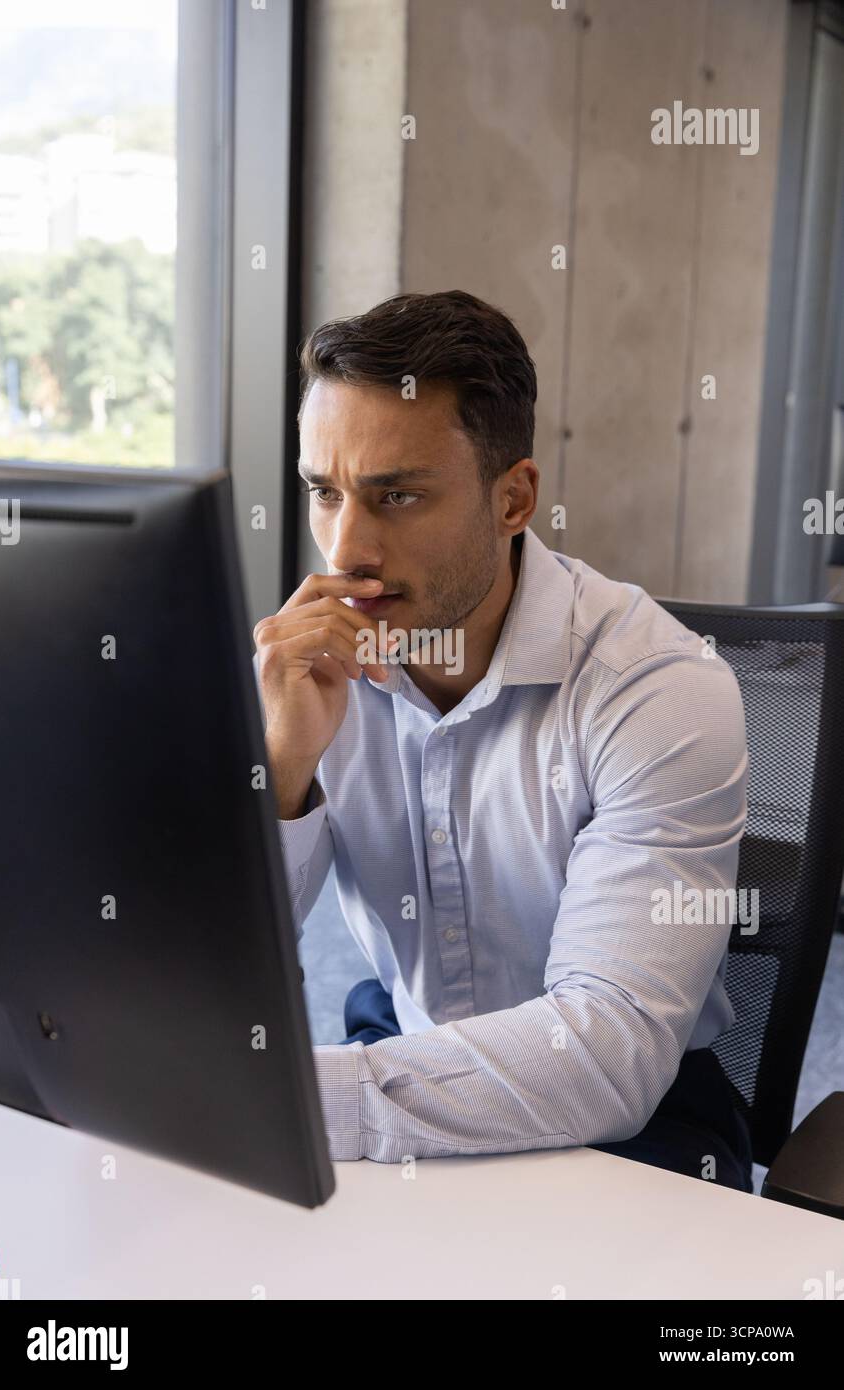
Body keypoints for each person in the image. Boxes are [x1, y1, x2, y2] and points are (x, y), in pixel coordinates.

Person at [253, 288, 753, 1193]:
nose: (346, 549)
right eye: (323, 493)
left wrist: (284, 1102)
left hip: (634, 1118)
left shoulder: (659, 689)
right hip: (403, 1044)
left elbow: (606, 1053)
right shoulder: (308, 667)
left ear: (513, 497)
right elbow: (212, 967)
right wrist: (282, 769)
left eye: (395, 495)